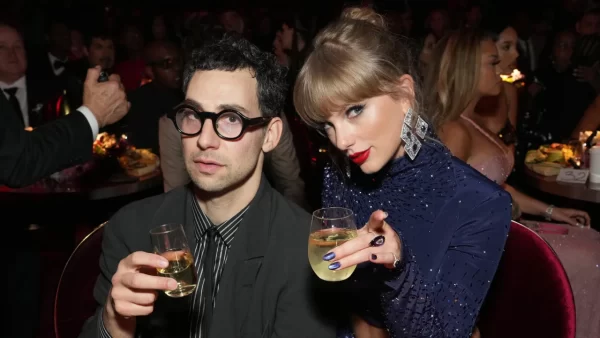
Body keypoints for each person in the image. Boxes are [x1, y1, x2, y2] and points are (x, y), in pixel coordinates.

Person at [79, 34, 335, 338]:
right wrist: (114, 323)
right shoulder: (132, 228)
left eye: (231, 119)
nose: (204, 138)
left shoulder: (307, 252)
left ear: (270, 135)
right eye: (194, 115)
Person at [293, 8, 511, 337]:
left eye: (354, 110)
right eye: (328, 124)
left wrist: (398, 269)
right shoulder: (339, 176)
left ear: (405, 95)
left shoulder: (481, 204)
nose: (341, 140)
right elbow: (343, 304)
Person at [429, 28, 599, 338]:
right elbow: (443, 213)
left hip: (509, 231)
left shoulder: (472, 121)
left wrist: (553, 210)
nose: (501, 69)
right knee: (591, 256)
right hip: (493, 248)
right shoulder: (454, 130)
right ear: (467, 67)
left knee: (591, 240)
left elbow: (494, 185)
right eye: (492, 63)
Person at [0, 24, 129, 188]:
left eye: (17, 46)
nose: (12, 53)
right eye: (2, 47)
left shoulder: (56, 87)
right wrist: (94, 114)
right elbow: (17, 160)